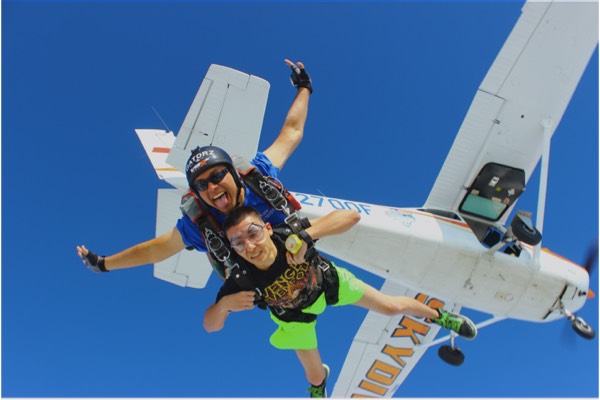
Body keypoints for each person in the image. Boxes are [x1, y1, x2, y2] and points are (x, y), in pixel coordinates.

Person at [203, 206, 478, 398]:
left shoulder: (287, 234)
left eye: (252, 233)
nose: (249, 247)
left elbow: (351, 217)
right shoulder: (241, 277)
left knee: (392, 307)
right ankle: (319, 388)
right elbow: (210, 326)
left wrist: (306, 236)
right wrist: (224, 305)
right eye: (238, 243)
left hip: (330, 284)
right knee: (313, 377)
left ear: (265, 227)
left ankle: (439, 316)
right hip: (294, 319)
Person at [76, 59, 312, 273]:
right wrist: (104, 263)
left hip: (306, 263)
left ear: (234, 173)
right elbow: (154, 250)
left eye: (218, 175)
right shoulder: (201, 220)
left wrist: (304, 87)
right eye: (201, 184)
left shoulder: (257, 176)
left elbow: (292, 133)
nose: (212, 187)